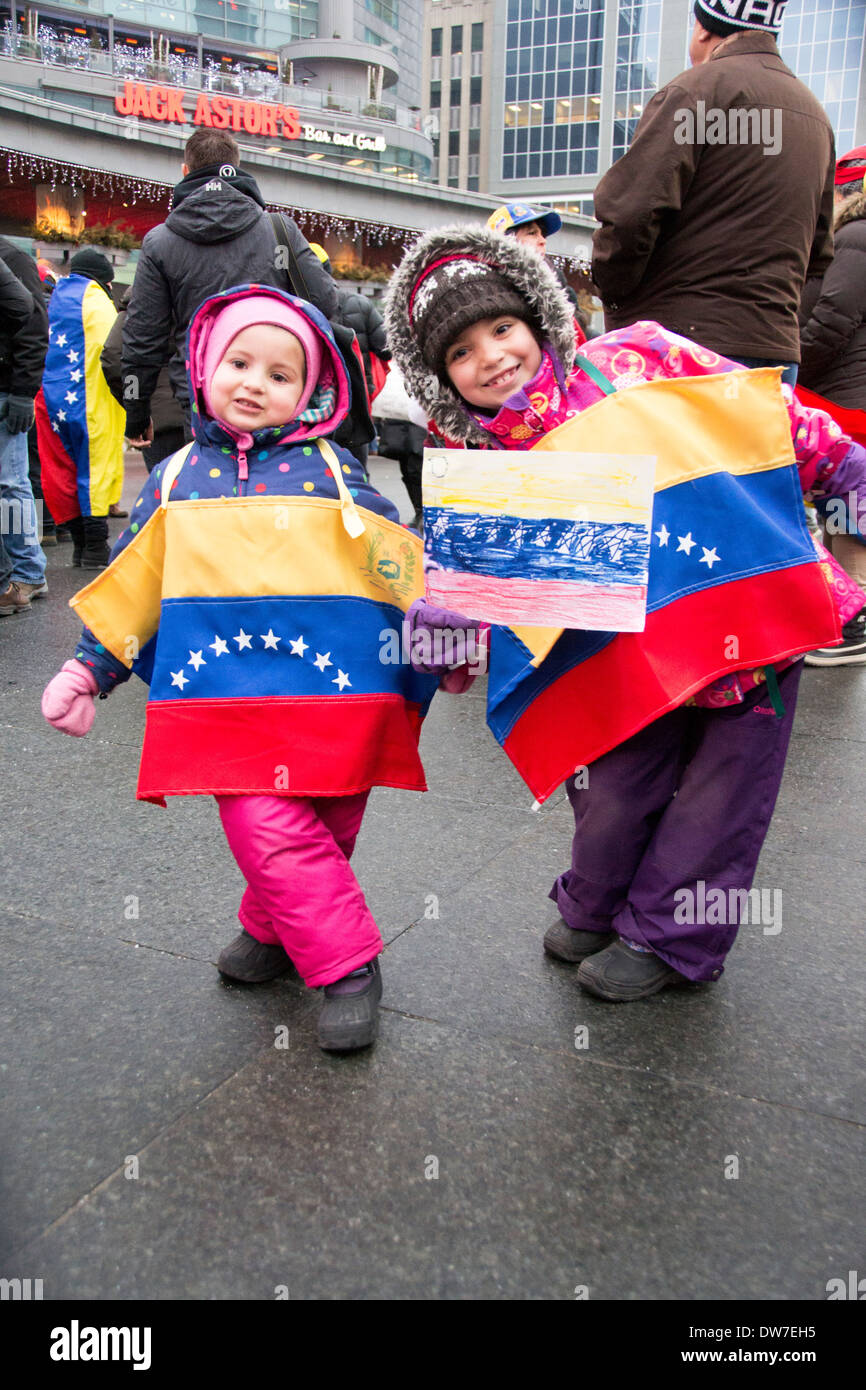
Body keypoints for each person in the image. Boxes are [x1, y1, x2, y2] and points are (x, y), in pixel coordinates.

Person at [385, 225, 866, 1002]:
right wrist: (445, 623)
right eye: (461, 352)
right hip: (625, 661)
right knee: (613, 784)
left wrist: (844, 472)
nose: (492, 357)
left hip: (747, 619)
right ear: (442, 380)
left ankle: (670, 936)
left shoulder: (637, 358)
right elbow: (468, 576)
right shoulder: (494, 463)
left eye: (502, 327)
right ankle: (600, 897)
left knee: (723, 793)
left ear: (539, 318)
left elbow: (756, 412)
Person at [41, 284, 441, 1053]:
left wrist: (445, 647)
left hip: (341, 696)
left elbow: (401, 569)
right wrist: (91, 667)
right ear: (203, 366)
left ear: (312, 390)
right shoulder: (176, 477)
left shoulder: (336, 472)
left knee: (323, 824)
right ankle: (347, 964)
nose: (255, 382)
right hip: (229, 701)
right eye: (239, 361)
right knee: (264, 819)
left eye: (281, 372)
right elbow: (137, 581)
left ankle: (274, 926)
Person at [592, 0, 834, 384]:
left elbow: (631, 214)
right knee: (752, 447)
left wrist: (616, 295)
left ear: (704, 29)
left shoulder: (698, 90)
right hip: (773, 351)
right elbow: (818, 253)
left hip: (680, 347)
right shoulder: (815, 116)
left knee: (671, 448)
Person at [121, 129, 337, 450]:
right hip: (275, 397)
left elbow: (142, 341)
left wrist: (136, 414)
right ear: (236, 168)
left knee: (210, 493)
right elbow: (325, 302)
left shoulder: (161, 242)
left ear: (185, 171)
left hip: (203, 401)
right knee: (276, 490)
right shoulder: (279, 230)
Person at [798, 149, 866, 666]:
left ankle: (852, 622)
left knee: (845, 509)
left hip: (845, 399)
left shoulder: (856, 237)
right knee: (847, 509)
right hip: (852, 396)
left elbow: (831, 322)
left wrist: (790, 363)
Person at [34, 249, 125, 570]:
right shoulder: (99, 302)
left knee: (59, 469)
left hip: (50, 399)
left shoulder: (56, 296)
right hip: (93, 399)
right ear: (104, 280)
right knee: (97, 466)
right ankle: (96, 547)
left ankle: (79, 544)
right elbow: (114, 354)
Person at [0, 235, 48, 616]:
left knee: (11, 485)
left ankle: (29, 571)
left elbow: (33, 327)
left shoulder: (12, 257)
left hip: (7, 389)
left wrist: (22, 391)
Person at [101, 287, 186, 474]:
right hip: (204, 410)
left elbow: (114, 358)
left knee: (166, 494)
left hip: (160, 418)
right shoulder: (200, 285)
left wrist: (134, 403)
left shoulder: (140, 298)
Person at [487, 201, 586, 331]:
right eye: (532, 233)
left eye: (542, 234)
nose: (542, 240)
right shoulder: (488, 287)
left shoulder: (559, 284)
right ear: (505, 242)